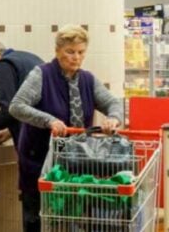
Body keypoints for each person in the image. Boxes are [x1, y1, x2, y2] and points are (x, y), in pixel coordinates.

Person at [9, 25, 123, 232]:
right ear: (58, 51)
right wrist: (48, 120)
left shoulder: (88, 79)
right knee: (38, 217)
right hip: (40, 160)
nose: (76, 58)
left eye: (81, 52)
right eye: (70, 52)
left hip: (76, 162)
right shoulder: (42, 75)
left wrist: (113, 118)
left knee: (73, 217)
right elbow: (16, 106)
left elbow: (113, 103)